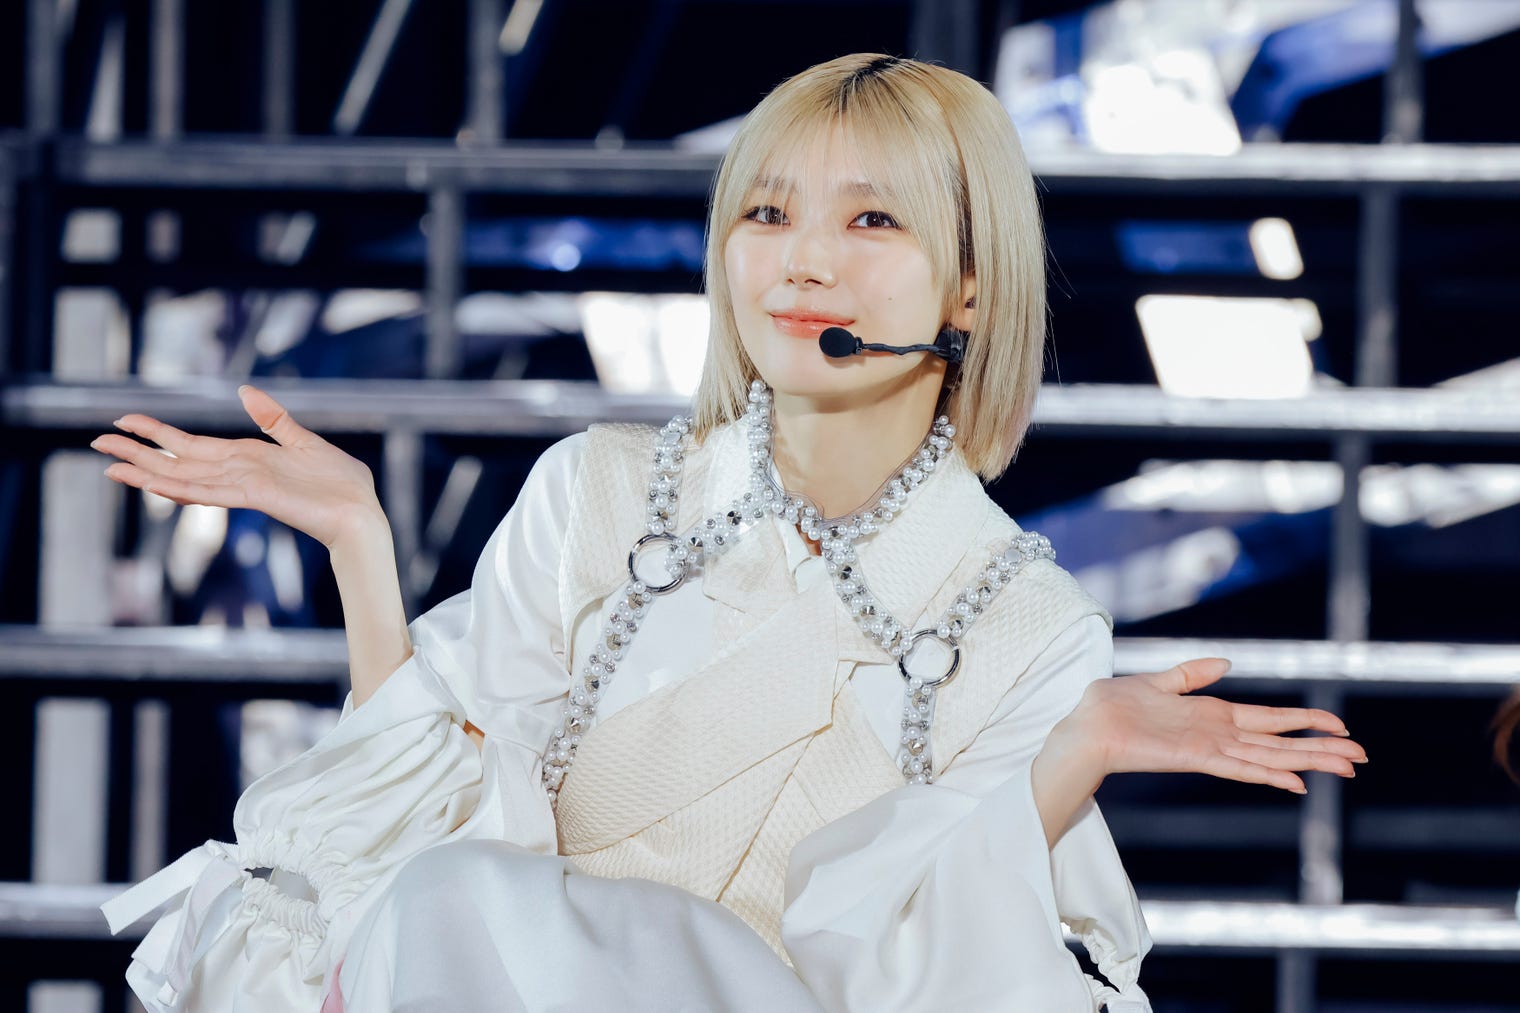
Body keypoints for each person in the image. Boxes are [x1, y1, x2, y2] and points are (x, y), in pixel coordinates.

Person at [93, 54, 1366, 1012]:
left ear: (971, 285)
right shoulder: (595, 489)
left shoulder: (1029, 626)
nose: (800, 263)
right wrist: (360, 550)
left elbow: (925, 973)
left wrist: (1069, 754)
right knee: (449, 894)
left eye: (869, 220)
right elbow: (423, 851)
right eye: (765, 214)